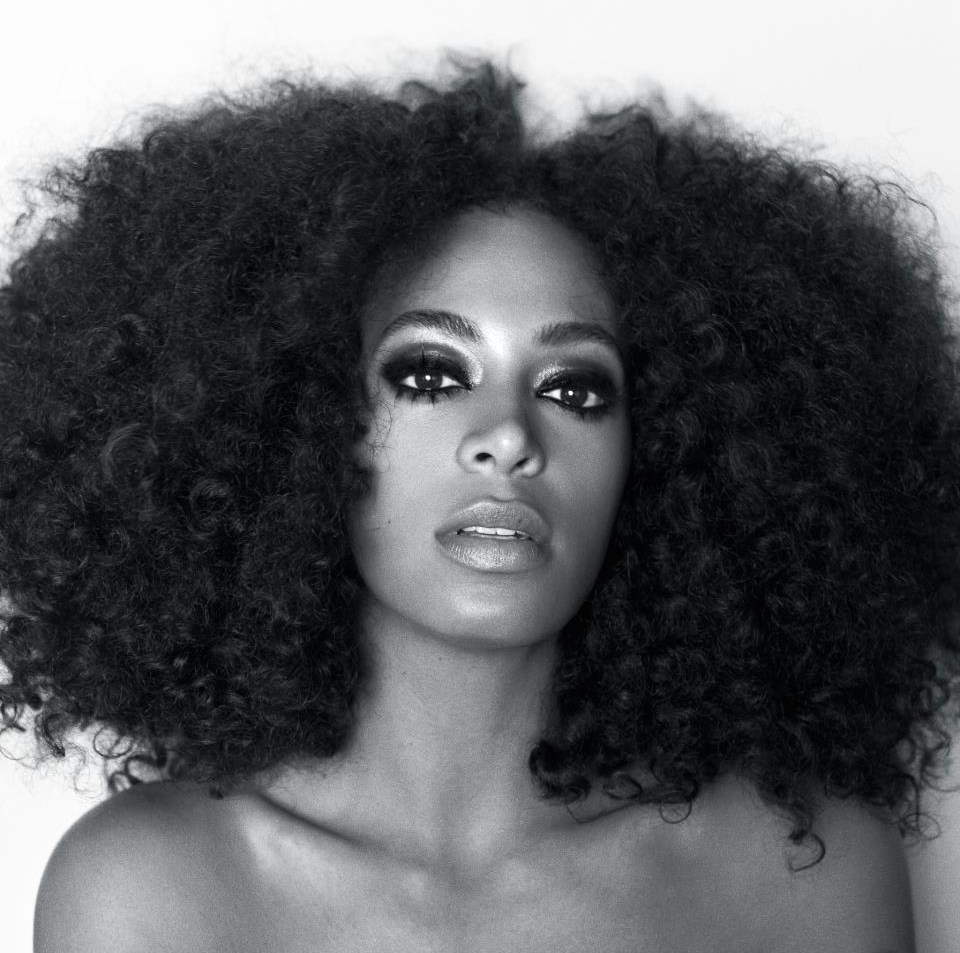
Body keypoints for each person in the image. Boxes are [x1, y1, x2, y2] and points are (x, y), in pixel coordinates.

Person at [1, 57, 957, 951]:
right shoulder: (152, 890)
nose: (508, 434)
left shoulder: (802, 873)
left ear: (665, 449)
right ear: (294, 423)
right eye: (429, 374)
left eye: (575, 388)